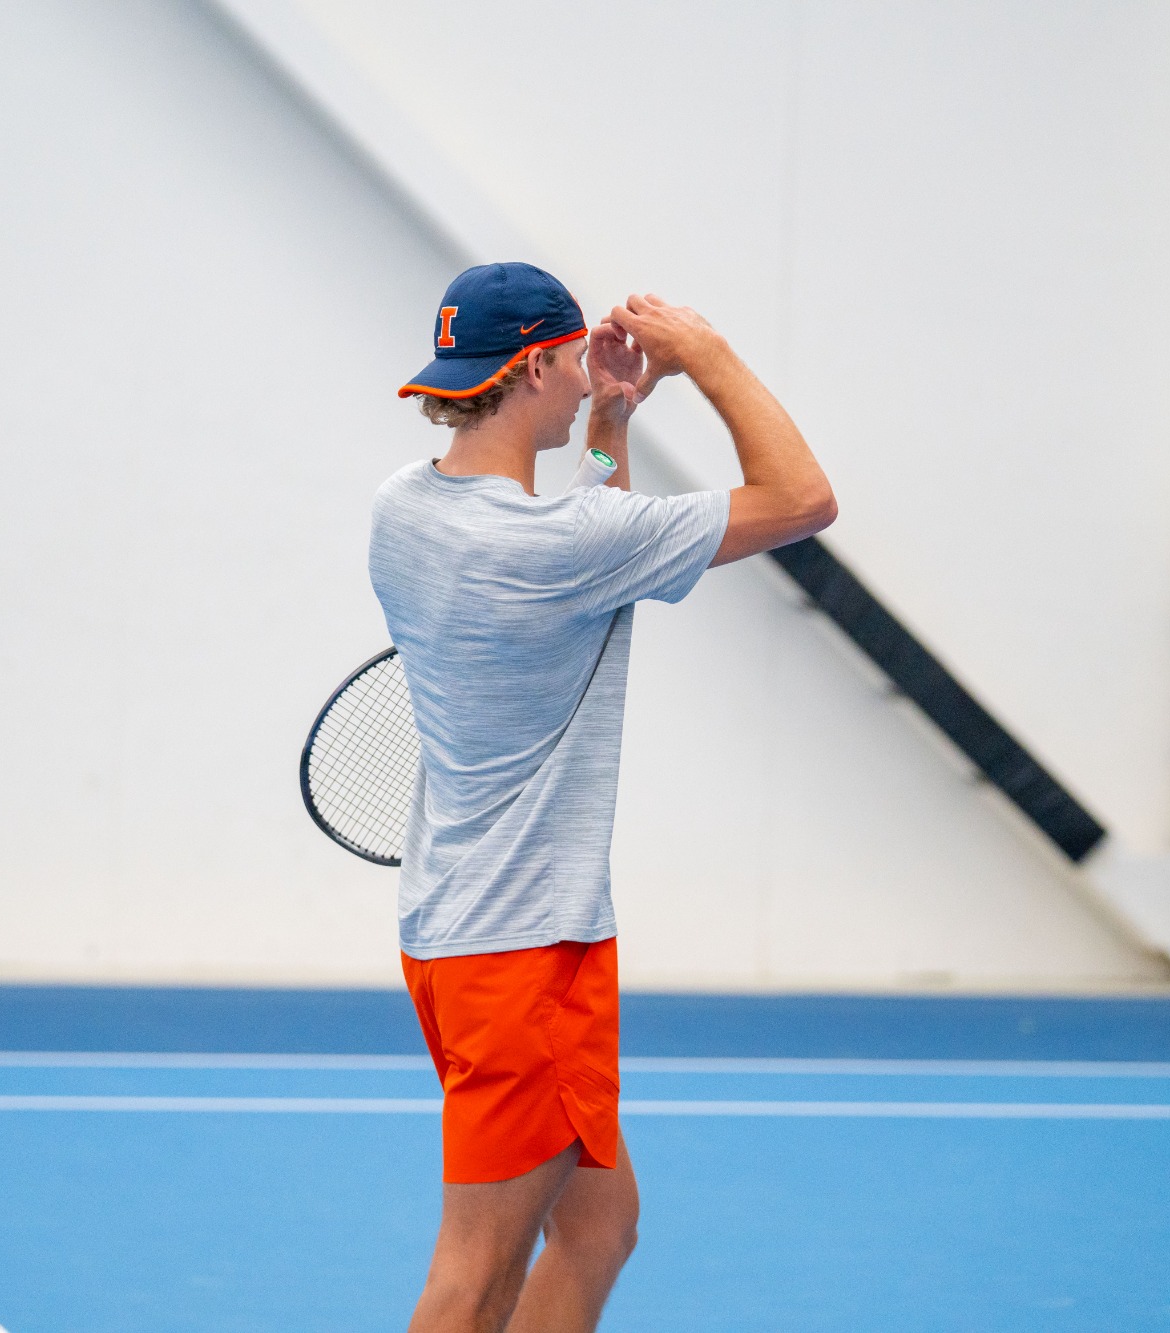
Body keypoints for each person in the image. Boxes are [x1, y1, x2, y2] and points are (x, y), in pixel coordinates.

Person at [369, 262, 836, 1333]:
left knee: (598, 1228)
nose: (586, 376)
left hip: (468, 937)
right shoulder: (562, 547)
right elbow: (802, 498)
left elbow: (589, 538)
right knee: (475, 1275)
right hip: (521, 957)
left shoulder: (404, 509)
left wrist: (611, 421)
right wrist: (705, 356)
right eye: (574, 362)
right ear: (536, 366)